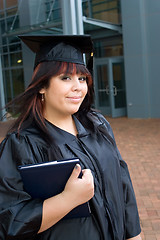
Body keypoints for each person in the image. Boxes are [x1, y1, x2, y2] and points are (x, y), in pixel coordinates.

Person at [0, 34, 142, 240]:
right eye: (66, 78)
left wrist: (134, 235)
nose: (78, 87)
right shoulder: (22, 143)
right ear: (41, 86)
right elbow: (8, 222)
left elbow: (123, 184)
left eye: (82, 78)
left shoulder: (98, 125)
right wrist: (67, 200)